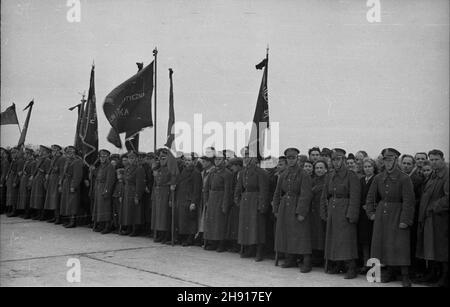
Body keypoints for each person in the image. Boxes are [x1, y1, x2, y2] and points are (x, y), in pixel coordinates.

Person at [366, 148, 415, 287]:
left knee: (400, 245)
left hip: (398, 213)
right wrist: (371, 213)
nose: (388, 163)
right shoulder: (378, 177)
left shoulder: (404, 178)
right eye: (385, 159)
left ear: (396, 160)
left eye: (390, 159)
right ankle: (384, 272)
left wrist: (405, 220)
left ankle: (405, 275)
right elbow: (370, 197)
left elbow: (409, 201)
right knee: (381, 244)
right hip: (381, 214)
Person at [320, 148, 360, 279]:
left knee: (346, 240)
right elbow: (325, 195)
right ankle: (337, 264)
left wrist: (352, 214)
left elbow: (355, 197)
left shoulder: (351, 175)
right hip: (333, 209)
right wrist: (324, 212)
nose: (336, 162)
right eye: (333, 160)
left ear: (343, 160)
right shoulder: (329, 175)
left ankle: (351, 267)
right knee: (334, 239)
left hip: (345, 210)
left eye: (338, 159)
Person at [273, 148, 313, 273]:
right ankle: (290, 258)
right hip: (285, 206)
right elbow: (277, 192)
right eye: (288, 158)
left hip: (297, 205)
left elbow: (306, 194)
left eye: (293, 158)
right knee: (287, 232)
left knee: (301, 234)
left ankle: (307, 261)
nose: (291, 160)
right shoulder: (283, 174)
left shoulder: (303, 174)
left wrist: (301, 211)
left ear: (297, 158)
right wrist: (276, 208)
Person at [416, 149, 448, 287]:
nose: (434, 162)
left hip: (441, 219)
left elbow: (448, 198)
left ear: (442, 159)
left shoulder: (446, 175)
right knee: (431, 248)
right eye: (432, 159)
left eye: (436, 159)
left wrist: (433, 207)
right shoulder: (433, 175)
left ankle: (445, 278)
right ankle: (433, 275)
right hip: (429, 219)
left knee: (442, 249)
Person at [234, 147, 270, 261]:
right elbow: (238, 188)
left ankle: (259, 251)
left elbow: (264, 190)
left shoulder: (261, 173)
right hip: (245, 201)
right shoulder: (243, 172)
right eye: (245, 156)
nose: (246, 158)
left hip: (256, 200)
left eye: (249, 156)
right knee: (246, 226)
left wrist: (262, 205)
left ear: (255, 158)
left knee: (257, 226)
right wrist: (238, 201)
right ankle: (249, 248)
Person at [401, 154, 425, 279]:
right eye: (404, 163)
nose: (406, 166)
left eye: (409, 164)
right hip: (399, 215)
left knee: (411, 242)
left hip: (412, 215)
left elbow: (419, 198)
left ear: (413, 165)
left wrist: (407, 203)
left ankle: (412, 271)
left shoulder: (417, 180)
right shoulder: (398, 177)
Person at [204, 150, 233, 252]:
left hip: (220, 199)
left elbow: (228, 190)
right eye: (216, 159)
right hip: (212, 199)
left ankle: (221, 244)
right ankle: (213, 242)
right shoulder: (212, 172)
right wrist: (206, 200)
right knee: (211, 222)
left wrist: (225, 204)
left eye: (220, 159)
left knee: (220, 223)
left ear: (224, 160)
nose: (217, 161)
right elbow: (207, 187)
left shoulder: (227, 174)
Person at [175, 153, 202, 246]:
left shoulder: (196, 173)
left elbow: (196, 189)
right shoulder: (183, 171)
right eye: (186, 160)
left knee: (190, 220)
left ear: (194, 162)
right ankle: (182, 237)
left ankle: (190, 238)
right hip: (182, 198)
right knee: (182, 220)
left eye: (189, 160)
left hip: (189, 199)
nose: (187, 162)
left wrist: (194, 202)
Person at [151, 149, 176, 242]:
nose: (162, 159)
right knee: (158, 216)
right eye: (160, 158)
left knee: (165, 216)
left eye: (164, 158)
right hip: (158, 193)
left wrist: (170, 198)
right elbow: (156, 182)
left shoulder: (171, 169)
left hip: (166, 193)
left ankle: (166, 235)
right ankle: (160, 234)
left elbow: (172, 183)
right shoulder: (158, 169)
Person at [358, 158, 377, 274]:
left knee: (372, 240)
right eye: (365, 167)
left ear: (373, 167)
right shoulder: (361, 180)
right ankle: (366, 263)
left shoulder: (377, 179)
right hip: (362, 214)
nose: (367, 169)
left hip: (372, 214)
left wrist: (371, 208)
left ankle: (374, 267)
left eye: (369, 166)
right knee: (364, 240)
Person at [121, 151, 146, 236]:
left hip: (134, 190)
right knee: (128, 211)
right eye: (129, 158)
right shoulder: (127, 168)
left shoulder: (139, 169)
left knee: (135, 211)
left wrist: (137, 196)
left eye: (132, 158)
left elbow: (140, 183)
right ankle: (129, 227)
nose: (131, 160)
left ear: (136, 159)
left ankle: (136, 229)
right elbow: (124, 181)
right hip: (127, 191)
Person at [92, 149, 116, 234]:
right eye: (101, 156)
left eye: (104, 156)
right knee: (99, 208)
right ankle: (101, 225)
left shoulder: (110, 167)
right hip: (99, 188)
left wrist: (106, 191)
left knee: (105, 208)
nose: (102, 158)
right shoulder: (100, 166)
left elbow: (110, 181)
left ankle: (107, 226)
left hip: (104, 188)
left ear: (108, 157)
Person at [59, 146, 84, 228]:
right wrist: (61, 183)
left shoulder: (77, 161)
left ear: (74, 153)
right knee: (67, 202)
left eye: (71, 152)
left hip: (72, 183)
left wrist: (73, 185)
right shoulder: (68, 161)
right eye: (68, 152)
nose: (69, 153)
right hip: (66, 183)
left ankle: (73, 222)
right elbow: (63, 173)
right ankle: (68, 220)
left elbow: (77, 175)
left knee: (72, 203)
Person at [195, 150, 216, 246]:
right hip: (202, 197)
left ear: (210, 162)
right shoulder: (203, 172)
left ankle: (207, 239)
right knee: (201, 217)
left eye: (204, 161)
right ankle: (201, 236)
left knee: (207, 218)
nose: (202, 163)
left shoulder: (213, 172)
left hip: (210, 197)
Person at [310, 159, 328, 267]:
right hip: (313, 210)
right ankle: (316, 256)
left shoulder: (328, 180)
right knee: (315, 234)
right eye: (317, 168)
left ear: (326, 169)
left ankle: (322, 257)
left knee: (322, 234)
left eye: (321, 168)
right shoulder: (312, 180)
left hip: (322, 210)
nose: (319, 170)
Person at [44, 145, 65, 224]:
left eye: (55, 150)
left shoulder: (62, 158)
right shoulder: (53, 158)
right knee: (52, 200)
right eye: (52, 150)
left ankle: (58, 218)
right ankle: (54, 217)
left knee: (56, 200)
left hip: (56, 180)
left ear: (59, 151)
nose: (53, 152)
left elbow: (62, 171)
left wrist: (60, 182)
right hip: (52, 181)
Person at [29, 145, 51, 220]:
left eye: (42, 150)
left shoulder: (47, 160)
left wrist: (43, 173)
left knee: (41, 198)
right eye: (40, 150)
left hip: (41, 180)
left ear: (46, 152)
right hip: (37, 179)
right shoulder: (40, 159)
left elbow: (48, 172)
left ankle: (42, 215)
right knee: (36, 198)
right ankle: (38, 214)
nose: (40, 152)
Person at [226, 157, 243, 252]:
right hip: (234, 202)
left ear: (238, 165)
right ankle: (234, 244)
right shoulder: (234, 174)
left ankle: (238, 245)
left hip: (241, 202)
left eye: (232, 166)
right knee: (234, 224)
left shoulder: (243, 174)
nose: (231, 168)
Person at [14, 148, 35, 218]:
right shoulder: (26, 161)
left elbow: (32, 174)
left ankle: (27, 213)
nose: (25, 155)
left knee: (27, 198)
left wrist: (30, 183)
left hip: (27, 181)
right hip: (23, 180)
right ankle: (24, 212)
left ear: (30, 154)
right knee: (23, 197)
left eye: (26, 153)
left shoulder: (33, 162)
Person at [5, 147, 24, 216]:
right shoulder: (14, 160)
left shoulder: (20, 161)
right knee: (11, 196)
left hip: (14, 180)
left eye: (14, 152)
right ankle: (11, 210)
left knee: (14, 196)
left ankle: (14, 211)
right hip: (11, 179)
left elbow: (18, 173)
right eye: (12, 153)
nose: (12, 154)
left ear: (18, 153)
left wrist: (16, 182)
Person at [112, 168, 124, 234]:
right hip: (115, 197)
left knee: (120, 213)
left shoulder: (123, 183)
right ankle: (116, 226)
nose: (118, 175)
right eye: (117, 174)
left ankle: (120, 228)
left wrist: (121, 196)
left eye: (119, 174)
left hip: (119, 198)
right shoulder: (117, 183)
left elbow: (122, 191)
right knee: (115, 213)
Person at [0, 148, 11, 215]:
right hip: (2, 180)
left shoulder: (5, 161)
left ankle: (2, 209)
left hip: (3, 181)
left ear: (6, 155)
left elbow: (4, 173)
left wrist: (1, 182)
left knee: (2, 196)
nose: (1, 153)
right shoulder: (3, 161)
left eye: (3, 153)